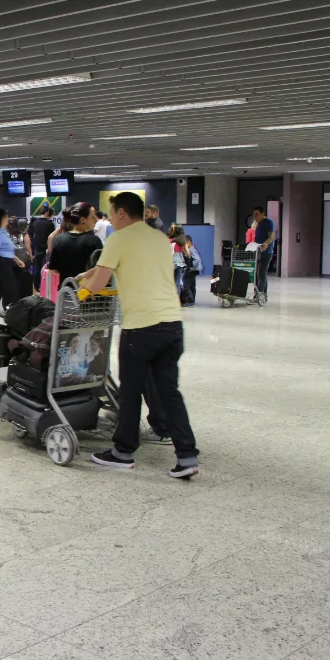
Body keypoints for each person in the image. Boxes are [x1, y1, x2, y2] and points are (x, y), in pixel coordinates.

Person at [80, 191, 199, 478]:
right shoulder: (159, 238)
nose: (109, 218)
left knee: (131, 393)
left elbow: (97, 284)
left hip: (141, 328)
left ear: (122, 213)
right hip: (172, 324)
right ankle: (187, 457)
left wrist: (84, 283)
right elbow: (136, 265)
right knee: (170, 392)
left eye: (111, 212)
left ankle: (123, 452)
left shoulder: (118, 239)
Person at [48, 202, 102, 282]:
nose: (96, 220)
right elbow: (99, 272)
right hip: (86, 292)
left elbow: (52, 271)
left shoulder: (59, 240)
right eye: (93, 217)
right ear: (83, 220)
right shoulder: (94, 241)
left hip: (64, 291)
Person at [250, 205, 276, 297]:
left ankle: (259, 295)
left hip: (266, 252)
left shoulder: (269, 222)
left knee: (261, 273)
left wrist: (266, 243)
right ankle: (262, 294)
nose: (255, 217)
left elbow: (272, 236)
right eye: (254, 215)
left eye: (257, 214)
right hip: (258, 250)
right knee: (258, 274)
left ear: (263, 214)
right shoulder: (257, 223)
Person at [29, 205, 55, 290]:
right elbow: (52, 237)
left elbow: (31, 235)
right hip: (46, 250)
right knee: (44, 269)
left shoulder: (34, 223)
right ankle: (43, 286)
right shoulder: (50, 224)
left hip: (36, 249)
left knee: (36, 269)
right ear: (47, 212)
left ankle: (36, 287)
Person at [8, 217, 34, 297]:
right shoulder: (25, 235)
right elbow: (28, 248)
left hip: (14, 261)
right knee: (24, 280)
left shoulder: (12, 235)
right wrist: (32, 258)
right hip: (24, 261)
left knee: (16, 280)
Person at [168, 224, 188, 298]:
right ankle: (177, 300)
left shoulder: (170, 240)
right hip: (180, 262)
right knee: (177, 282)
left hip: (171, 261)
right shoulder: (182, 241)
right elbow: (187, 253)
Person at [183, 234, 202, 307]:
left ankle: (191, 301)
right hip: (194, 270)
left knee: (186, 284)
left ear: (189, 242)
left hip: (192, 270)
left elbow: (197, 260)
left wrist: (191, 267)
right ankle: (192, 299)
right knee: (192, 285)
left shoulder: (191, 249)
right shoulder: (193, 248)